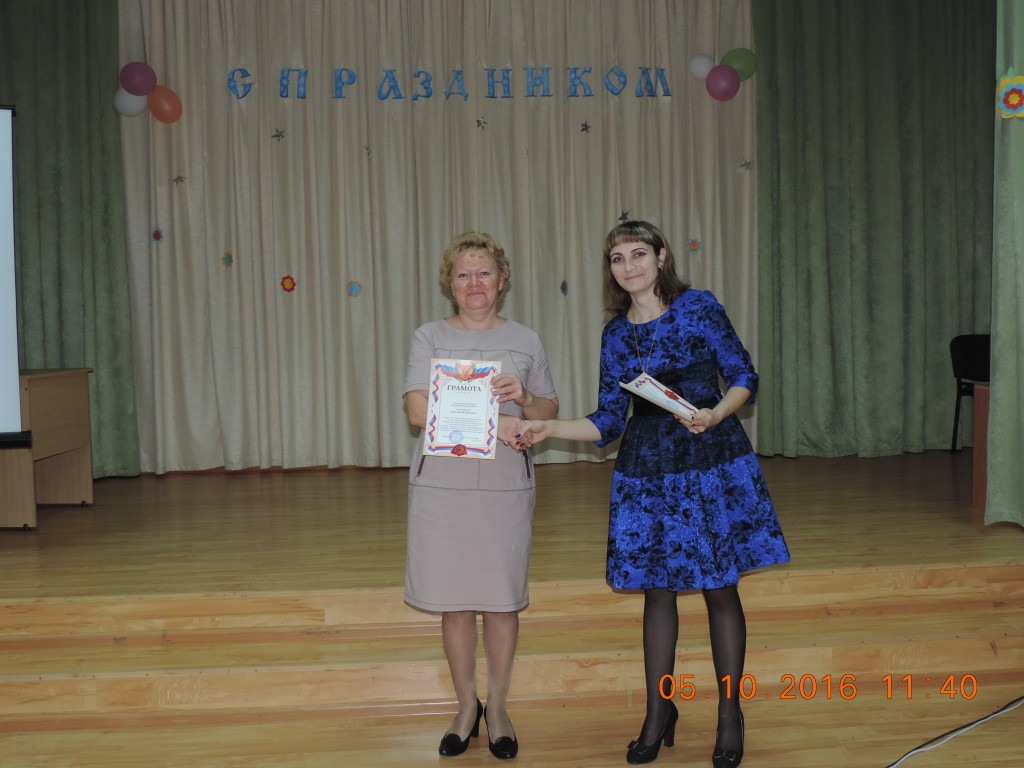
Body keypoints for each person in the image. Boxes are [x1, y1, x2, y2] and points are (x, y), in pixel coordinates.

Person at [520, 221, 789, 766]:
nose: (628, 266)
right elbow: (607, 420)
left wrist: (716, 413)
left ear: (662, 257)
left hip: (708, 457)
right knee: (657, 591)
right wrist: (548, 428)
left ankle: (730, 714)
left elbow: (744, 376)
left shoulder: (699, 307)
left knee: (719, 587)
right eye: (617, 258)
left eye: (638, 254)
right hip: (647, 469)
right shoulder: (616, 335)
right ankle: (659, 711)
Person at [403, 231, 560, 760]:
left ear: (502, 280)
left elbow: (548, 411)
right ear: (450, 284)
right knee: (454, 603)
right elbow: (416, 412)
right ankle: (466, 706)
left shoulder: (526, 339)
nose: (474, 283)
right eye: (464, 274)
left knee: (501, 601)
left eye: (484, 273)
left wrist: (525, 397)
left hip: (502, 486)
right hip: (443, 488)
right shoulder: (428, 337)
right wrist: (494, 415)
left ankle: (499, 708)